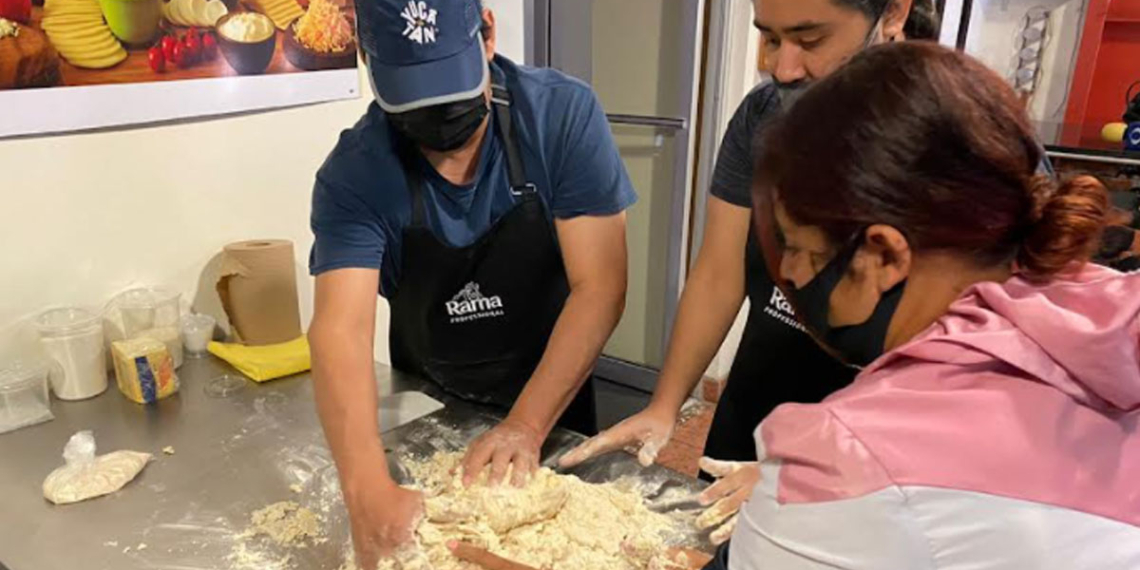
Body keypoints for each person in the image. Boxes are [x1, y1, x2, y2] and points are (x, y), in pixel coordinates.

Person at [715, 42, 1140, 569]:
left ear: (884, 254)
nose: (793, 275)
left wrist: (810, 495)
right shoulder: (1108, 315)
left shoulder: (839, 459)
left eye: (802, 249)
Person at [559, 0, 940, 545]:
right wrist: (666, 406)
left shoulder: (958, 142)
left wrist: (810, 469)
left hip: (883, 451)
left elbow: (967, 388)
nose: (783, 68)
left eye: (810, 41)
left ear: (893, 13)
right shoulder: (762, 117)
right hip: (762, 399)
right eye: (768, 38)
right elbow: (720, 270)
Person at [307, 0, 635, 566]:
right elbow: (340, 329)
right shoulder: (355, 173)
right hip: (430, 404)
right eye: (415, 102)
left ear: (487, 34)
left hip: (552, 393)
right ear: (366, 59)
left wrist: (526, 425)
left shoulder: (559, 117)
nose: (439, 119)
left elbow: (600, 286)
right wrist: (366, 491)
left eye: (452, 93)